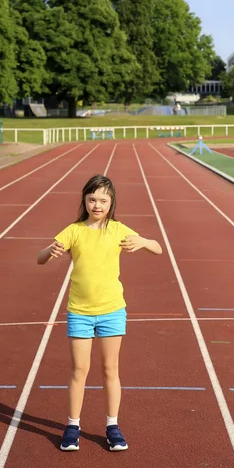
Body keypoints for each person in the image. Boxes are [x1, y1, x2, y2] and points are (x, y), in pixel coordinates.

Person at [37, 175, 162, 452]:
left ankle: (112, 426)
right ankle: (72, 427)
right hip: (79, 311)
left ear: (111, 202)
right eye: (92, 199)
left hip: (112, 311)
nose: (97, 204)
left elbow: (158, 248)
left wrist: (142, 242)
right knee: (79, 370)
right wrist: (50, 250)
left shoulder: (117, 230)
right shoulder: (74, 231)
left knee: (110, 369)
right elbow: (40, 258)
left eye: (103, 200)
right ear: (84, 200)